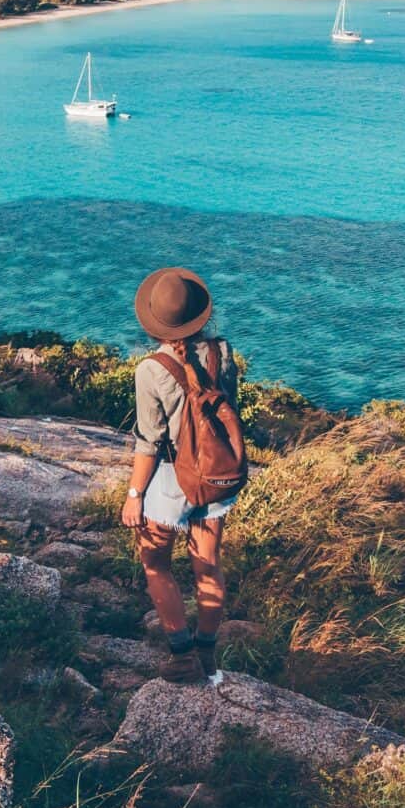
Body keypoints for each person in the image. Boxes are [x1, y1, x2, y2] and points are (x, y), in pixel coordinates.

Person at [123, 266, 241, 684]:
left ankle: (182, 657)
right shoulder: (222, 353)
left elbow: (149, 441)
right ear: (199, 316)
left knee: (155, 562)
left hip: (173, 479)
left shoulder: (151, 369)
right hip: (216, 474)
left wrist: (135, 494)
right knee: (208, 564)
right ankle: (207, 655)